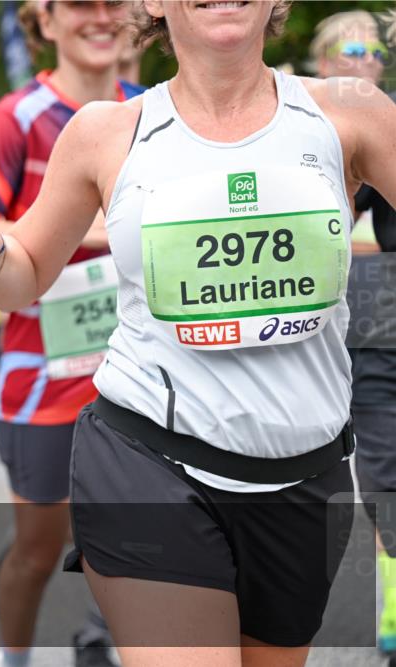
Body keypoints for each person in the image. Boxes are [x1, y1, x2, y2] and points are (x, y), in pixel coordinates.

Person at [0, 1, 396, 665]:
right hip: (148, 461)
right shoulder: (108, 130)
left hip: (303, 475)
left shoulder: (349, 110)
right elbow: (26, 272)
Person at [0, 1, 142, 665]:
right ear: (46, 20)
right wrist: (87, 231)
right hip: (46, 377)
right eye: (79, 5)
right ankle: (13, 654)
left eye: (113, 3)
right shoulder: (15, 119)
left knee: (142, 534)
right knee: (37, 549)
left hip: (146, 373)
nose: (100, 17)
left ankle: (99, 634)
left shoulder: (154, 110)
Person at [312, 9, 396, 658]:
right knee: (386, 476)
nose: (364, 59)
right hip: (376, 329)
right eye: (350, 50)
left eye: (372, 49)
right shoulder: (324, 131)